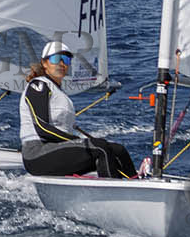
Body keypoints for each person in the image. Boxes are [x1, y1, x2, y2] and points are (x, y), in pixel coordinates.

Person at [19, 41, 138, 179]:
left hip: (56, 150)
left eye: (66, 59)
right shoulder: (38, 85)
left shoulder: (59, 92)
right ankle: (114, 193)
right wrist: (75, 140)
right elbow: (41, 127)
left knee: (117, 150)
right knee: (100, 147)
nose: (61, 64)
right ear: (44, 63)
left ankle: (137, 185)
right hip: (37, 154)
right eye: (56, 59)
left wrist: (76, 143)